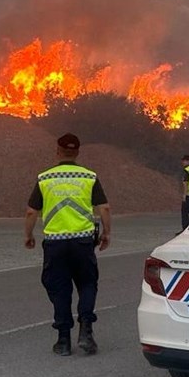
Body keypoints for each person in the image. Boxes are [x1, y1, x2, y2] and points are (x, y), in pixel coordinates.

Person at [25, 133, 111, 356]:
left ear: (58, 151)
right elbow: (104, 208)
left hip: (55, 244)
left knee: (60, 289)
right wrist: (107, 233)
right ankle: (86, 331)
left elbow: (31, 211)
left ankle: (63, 341)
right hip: (83, 242)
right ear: (78, 152)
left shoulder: (45, 178)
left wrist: (28, 235)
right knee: (87, 284)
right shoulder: (89, 177)